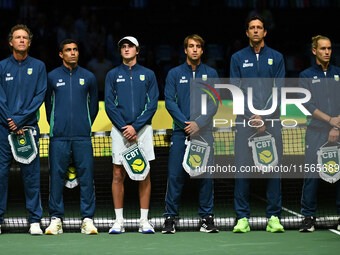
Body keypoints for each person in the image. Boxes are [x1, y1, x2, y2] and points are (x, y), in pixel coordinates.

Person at [230, 15, 285, 233]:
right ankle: (242, 218)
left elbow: (279, 90)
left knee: (273, 168)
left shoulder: (277, 57)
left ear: (265, 32)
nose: (255, 31)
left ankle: (274, 217)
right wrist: (252, 115)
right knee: (242, 169)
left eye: (259, 28)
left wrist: (263, 115)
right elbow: (236, 90)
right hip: (245, 122)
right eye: (251, 28)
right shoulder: (237, 58)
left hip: (271, 121)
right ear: (247, 33)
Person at [162, 34, 219, 234]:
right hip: (180, 133)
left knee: (205, 176)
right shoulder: (174, 74)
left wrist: (199, 124)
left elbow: (214, 102)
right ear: (185, 50)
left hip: (204, 133)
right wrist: (186, 124)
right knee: (175, 175)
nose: (194, 50)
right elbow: (169, 101)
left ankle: (207, 218)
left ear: (202, 51)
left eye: (198, 47)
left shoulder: (211, 73)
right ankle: (170, 217)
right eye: (191, 46)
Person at [105, 36, 159, 234]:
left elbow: (152, 104)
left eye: (130, 47)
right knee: (118, 174)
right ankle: (119, 221)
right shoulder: (112, 75)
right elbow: (109, 104)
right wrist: (124, 127)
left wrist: (135, 127)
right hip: (120, 132)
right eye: (123, 47)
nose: (126, 49)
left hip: (143, 131)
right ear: (120, 51)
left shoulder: (149, 74)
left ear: (138, 50)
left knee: (144, 173)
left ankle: (144, 221)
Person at [44, 39, 99, 235]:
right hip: (58, 137)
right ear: (61, 54)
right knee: (56, 178)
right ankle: (56, 219)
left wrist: (83, 124)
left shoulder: (89, 77)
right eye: (68, 50)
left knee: (86, 178)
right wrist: (57, 125)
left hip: (83, 137)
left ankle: (87, 220)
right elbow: (48, 106)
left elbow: (94, 108)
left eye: (75, 49)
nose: (73, 53)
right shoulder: (50, 77)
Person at [0, 24, 46, 235]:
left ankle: (35, 220)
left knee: (31, 175)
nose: (21, 40)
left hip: (28, 128)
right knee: (0, 175)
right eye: (17, 37)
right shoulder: (1, 66)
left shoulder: (38, 67)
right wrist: (10, 120)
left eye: (24, 37)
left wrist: (19, 120)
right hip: (3, 128)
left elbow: (39, 97)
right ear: (10, 42)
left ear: (29, 42)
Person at [299, 35, 340, 232]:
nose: (327, 52)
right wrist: (329, 120)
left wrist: (336, 126)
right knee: (312, 174)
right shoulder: (305, 76)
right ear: (314, 50)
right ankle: (308, 217)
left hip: (338, 130)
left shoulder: (338, 73)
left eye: (329, 48)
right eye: (323, 48)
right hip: (315, 132)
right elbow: (307, 105)